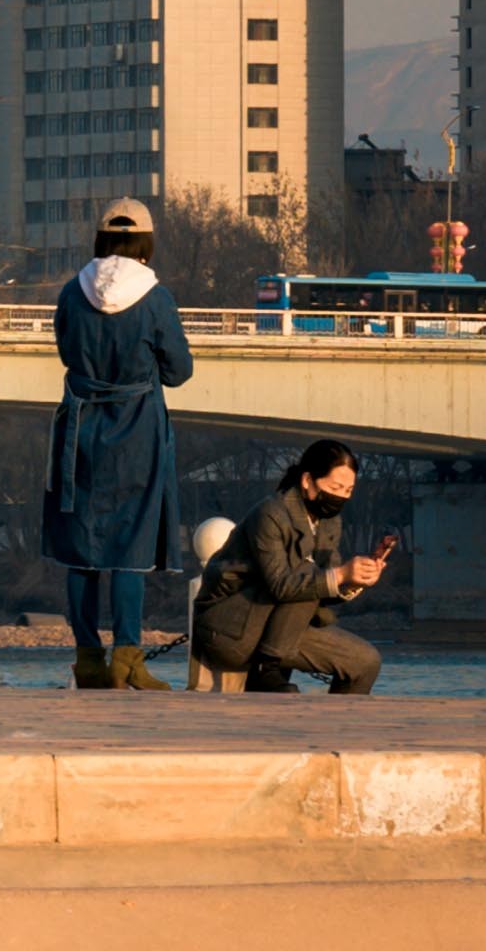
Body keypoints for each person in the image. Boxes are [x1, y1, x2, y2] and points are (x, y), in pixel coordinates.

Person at [44, 195, 195, 690]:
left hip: (81, 431)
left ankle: (88, 658)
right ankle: (128, 657)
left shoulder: (72, 292)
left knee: (81, 550)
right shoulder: (156, 297)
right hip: (138, 433)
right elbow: (178, 371)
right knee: (129, 548)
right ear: (145, 244)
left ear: (101, 238)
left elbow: (67, 350)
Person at [192, 443, 394, 696]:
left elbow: (326, 584)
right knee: (305, 569)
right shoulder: (270, 515)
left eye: (348, 490)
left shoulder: (330, 522)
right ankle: (266, 669)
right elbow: (282, 584)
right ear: (308, 480)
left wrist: (354, 580)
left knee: (364, 662)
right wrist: (340, 574)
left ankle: (336, 729)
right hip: (231, 627)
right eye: (334, 488)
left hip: (284, 627)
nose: (341, 496)